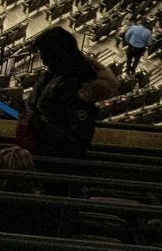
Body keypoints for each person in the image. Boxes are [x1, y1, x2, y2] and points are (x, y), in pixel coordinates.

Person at [16, 26, 118, 159]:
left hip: (51, 159)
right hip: (37, 150)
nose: (42, 59)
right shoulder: (54, 75)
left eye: (44, 54)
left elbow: (77, 142)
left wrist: (36, 121)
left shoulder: (79, 91)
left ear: (58, 55)